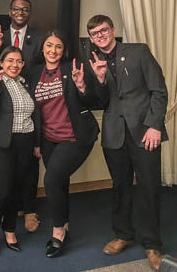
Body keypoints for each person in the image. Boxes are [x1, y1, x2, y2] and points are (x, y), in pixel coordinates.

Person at [86, 15, 168, 271]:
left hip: (144, 133)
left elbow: (159, 90)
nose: (100, 36)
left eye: (103, 30)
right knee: (120, 187)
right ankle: (123, 234)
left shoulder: (138, 51)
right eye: (94, 33)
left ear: (113, 30)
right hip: (114, 134)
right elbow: (99, 102)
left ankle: (152, 244)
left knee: (148, 189)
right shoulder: (93, 62)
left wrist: (154, 125)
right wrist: (98, 79)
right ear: (91, 38)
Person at [29, 30, 102, 258]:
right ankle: (66, 225)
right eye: (49, 45)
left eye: (58, 46)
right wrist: (37, 142)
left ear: (64, 50)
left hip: (75, 137)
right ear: (42, 48)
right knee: (60, 183)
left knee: (51, 180)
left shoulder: (74, 69)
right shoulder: (33, 72)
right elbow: (33, 111)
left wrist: (82, 86)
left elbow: (95, 100)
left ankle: (58, 231)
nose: (53, 50)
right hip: (49, 139)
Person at [0, 46, 37, 257]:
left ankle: (10, 229)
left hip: (25, 141)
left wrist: (36, 143)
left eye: (19, 61)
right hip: (2, 144)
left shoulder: (25, 84)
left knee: (16, 189)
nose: (15, 65)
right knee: (3, 190)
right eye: (10, 60)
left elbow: (34, 115)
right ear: (2, 62)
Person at [0, 0, 43, 232]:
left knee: (29, 169)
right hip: (5, 100)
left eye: (25, 9)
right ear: (9, 11)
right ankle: (5, 217)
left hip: (31, 95)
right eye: (16, 9)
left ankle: (29, 210)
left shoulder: (40, 37)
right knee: (6, 181)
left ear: (29, 13)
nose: (20, 12)